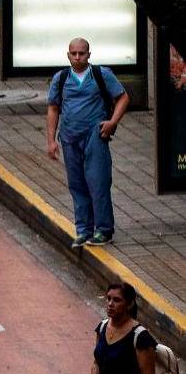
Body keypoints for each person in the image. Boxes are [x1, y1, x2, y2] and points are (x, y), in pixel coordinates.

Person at [45, 37, 130, 247]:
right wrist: (51, 140)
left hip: (95, 136)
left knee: (98, 182)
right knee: (77, 185)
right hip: (70, 138)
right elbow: (53, 108)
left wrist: (112, 122)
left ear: (89, 55)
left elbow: (123, 97)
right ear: (68, 55)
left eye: (81, 53)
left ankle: (103, 230)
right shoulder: (61, 78)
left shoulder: (101, 75)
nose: (77, 57)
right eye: (73, 53)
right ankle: (83, 230)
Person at [92, 282, 160, 374]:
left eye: (117, 300)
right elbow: (97, 361)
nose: (110, 304)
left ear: (129, 304)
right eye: (108, 298)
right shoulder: (102, 327)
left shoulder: (140, 336)